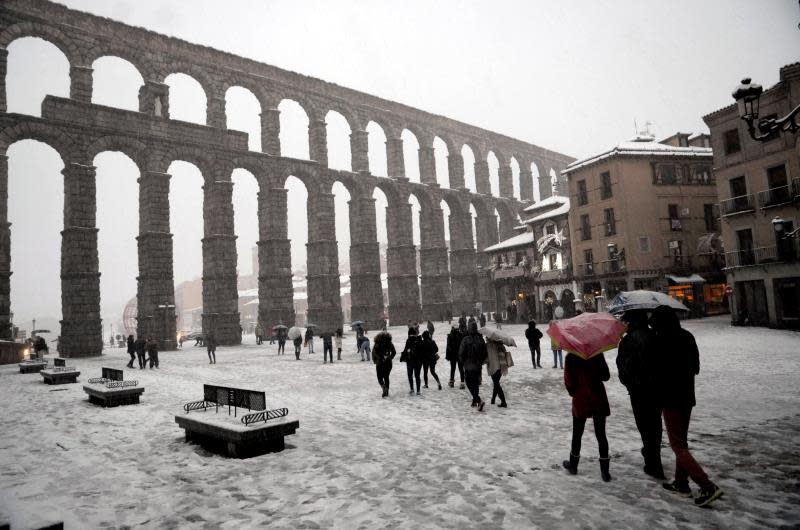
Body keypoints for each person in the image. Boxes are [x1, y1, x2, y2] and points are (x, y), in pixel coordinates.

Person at [651, 305, 724, 507]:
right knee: (681, 441)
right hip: (686, 397)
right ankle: (681, 483)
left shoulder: (660, 341)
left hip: (670, 398)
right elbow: (696, 368)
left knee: (677, 445)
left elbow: (655, 371)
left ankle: (707, 485)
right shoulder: (687, 336)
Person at [616, 309, 663, 480]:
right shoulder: (656, 336)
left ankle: (652, 462)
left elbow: (623, 368)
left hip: (638, 390)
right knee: (655, 425)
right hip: (656, 389)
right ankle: (654, 457)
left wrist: (630, 383)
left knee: (644, 425)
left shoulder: (628, 341)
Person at [562, 352, 612, 482]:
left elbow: (569, 382)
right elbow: (606, 376)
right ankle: (605, 471)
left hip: (581, 397)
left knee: (577, 433)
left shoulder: (571, 357)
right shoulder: (597, 354)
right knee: (601, 434)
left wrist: (575, 392)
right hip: (598, 396)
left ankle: (573, 465)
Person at [458, 321, 487, 410]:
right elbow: (485, 353)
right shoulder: (481, 339)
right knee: (475, 383)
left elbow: (461, 353)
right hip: (478, 365)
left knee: (469, 383)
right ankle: (475, 401)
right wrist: (480, 362)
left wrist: (463, 362)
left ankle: (478, 400)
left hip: (468, 365)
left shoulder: (465, 339)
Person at [486, 338, 512, 407]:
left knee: (496, 384)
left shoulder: (488, 346)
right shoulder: (500, 345)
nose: (486, 339)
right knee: (496, 383)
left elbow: (486, 357)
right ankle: (493, 399)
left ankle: (503, 402)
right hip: (501, 366)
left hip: (493, 367)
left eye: (487, 338)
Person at [372, 331, 396, 397]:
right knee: (386, 377)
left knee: (379, 377)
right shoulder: (390, 343)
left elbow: (374, 353)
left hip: (380, 363)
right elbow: (394, 352)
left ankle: (383, 387)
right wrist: (390, 357)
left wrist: (379, 359)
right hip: (388, 363)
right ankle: (387, 392)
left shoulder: (377, 343)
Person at [401, 328, 423, 395]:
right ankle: (418, 390)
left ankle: (412, 389)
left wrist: (402, 357)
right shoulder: (419, 339)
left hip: (410, 361)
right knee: (417, 376)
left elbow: (405, 349)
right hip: (418, 361)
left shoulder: (409, 340)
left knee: (410, 375)